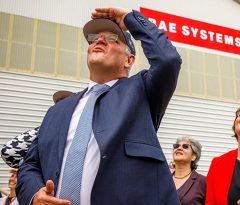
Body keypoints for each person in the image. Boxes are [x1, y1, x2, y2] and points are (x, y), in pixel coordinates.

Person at [16, 6, 181, 205]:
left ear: (129, 60)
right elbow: (30, 164)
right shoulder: (57, 111)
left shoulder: (142, 92)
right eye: (94, 38)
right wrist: (34, 196)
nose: (99, 40)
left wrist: (130, 19)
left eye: (112, 39)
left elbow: (168, 60)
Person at [1, 90, 73, 168]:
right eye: (58, 104)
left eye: (65, 103)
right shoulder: (45, 132)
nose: (60, 108)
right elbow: (9, 152)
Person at [172, 137, 206, 205]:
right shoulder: (163, 179)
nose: (179, 148)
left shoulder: (203, 182)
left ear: (193, 156)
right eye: (176, 146)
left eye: (185, 146)